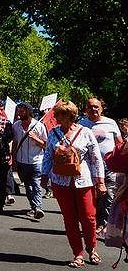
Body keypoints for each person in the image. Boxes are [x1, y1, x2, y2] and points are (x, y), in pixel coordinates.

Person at [41, 100, 105, 268]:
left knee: (89, 217)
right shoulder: (53, 133)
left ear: (69, 116)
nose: (55, 117)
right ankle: (78, 254)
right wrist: (44, 175)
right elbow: (48, 155)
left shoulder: (86, 132)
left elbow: (96, 158)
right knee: (70, 219)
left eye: (58, 114)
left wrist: (100, 181)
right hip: (60, 182)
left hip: (84, 181)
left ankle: (92, 248)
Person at [78, 97, 122, 237]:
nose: (94, 109)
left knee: (109, 194)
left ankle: (103, 223)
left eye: (96, 107)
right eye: (90, 107)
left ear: (101, 108)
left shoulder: (111, 123)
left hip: (109, 166)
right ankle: (94, 222)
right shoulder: (82, 124)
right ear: (86, 109)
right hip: (89, 167)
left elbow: (119, 143)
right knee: (93, 197)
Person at [11, 101, 48, 219]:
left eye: (22, 111)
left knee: (36, 184)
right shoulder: (16, 126)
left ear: (28, 111)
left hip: (36, 161)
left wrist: (35, 138)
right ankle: (33, 206)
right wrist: (14, 160)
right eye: (18, 111)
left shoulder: (39, 126)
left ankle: (38, 208)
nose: (19, 114)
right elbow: (15, 144)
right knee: (28, 186)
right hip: (21, 161)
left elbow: (46, 145)